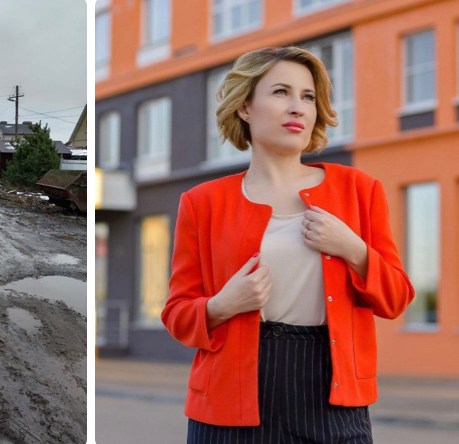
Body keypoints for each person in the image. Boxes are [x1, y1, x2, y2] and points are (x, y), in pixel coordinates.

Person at [161, 46, 415, 444]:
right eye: (281, 92)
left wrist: (354, 249)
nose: (297, 107)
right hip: (229, 401)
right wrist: (223, 304)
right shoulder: (202, 201)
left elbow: (396, 298)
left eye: (308, 96)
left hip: (333, 398)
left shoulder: (359, 190)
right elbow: (176, 313)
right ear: (245, 107)